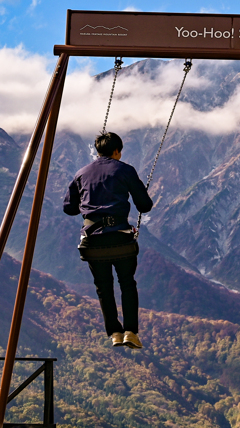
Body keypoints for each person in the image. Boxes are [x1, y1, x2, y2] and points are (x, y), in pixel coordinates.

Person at [63, 132, 153, 349]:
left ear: (97, 150)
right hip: (121, 239)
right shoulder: (125, 170)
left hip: (92, 242)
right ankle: (130, 331)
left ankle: (114, 332)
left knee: (103, 287)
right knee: (127, 284)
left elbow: (68, 208)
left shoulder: (81, 174)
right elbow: (145, 206)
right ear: (116, 151)